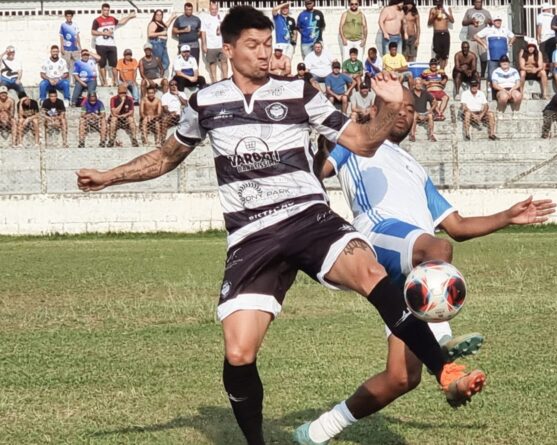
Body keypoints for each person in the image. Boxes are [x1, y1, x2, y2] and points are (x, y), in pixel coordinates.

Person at [76, 8, 485, 444]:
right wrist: (107, 176)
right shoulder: (206, 102)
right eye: (252, 46)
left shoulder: (300, 93)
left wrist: (392, 106)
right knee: (238, 352)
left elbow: (363, 143)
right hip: (252, 236)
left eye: (268, 44)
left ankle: (446, 370)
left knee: (371, 272)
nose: (264, 54)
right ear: (228, 49)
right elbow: (163, 157)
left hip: (310, 218)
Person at [303, 89, 555, 445]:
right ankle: (442, 340)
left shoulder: (415, 168)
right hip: (378, 236)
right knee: (437, 247)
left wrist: (508, 216)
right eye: (398, 106)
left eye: (411, 109)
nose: (405, 114)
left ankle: (317, 430)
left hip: (415, 268)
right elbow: (319, 171)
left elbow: (458, 225)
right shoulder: (354, 141)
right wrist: (326, 141)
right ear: (377, 108)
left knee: (402, 378)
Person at [92, 3, 136, 87]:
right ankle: (104, 82)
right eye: (105, 10)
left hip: (111, 44)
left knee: (114, 64)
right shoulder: (97, 20)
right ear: (102, 10)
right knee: (102, 64)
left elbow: (121, 22)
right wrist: (103, 33)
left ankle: (115, 81)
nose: (106, 12)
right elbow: (93, 32)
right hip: (101, 44)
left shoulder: (112, 18)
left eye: (108, 10)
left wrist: (129, 16)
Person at [475, 14, 515, 91]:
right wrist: (484, 44)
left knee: (503, 76)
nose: (498, 22)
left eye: (499, 21)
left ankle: (502, 92)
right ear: (493, 21)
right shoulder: (488, 29)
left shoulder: (505, 29)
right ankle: (491, 94)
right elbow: (476, 36)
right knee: (491, 77)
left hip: (504, 59)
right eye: (496, 20)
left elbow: (513, 37)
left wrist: (510, 43)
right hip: (492, 58)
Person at [462, 0, 493, 78]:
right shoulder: (469, 11)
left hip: (482, 39)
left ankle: (482, 75)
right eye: (476, 2)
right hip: (471, 39)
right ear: (474, 3)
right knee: (472, 58)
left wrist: (490, 22)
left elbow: (491, 24)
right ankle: (472, 75)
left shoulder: (486, 12)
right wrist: (471, 21)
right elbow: (463, 23)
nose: (478, 3)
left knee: (484, 58)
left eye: (480, 2)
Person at [201, 1, 228, 83]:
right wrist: (204, 45)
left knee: (224, 62)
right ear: (209, 9)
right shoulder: (205, 18)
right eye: (212, 9)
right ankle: (214, 81)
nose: (214, 11)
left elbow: (226, 30)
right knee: (212, 64)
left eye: (215, 9)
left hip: (221, 45)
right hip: (210, 46)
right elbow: (203, 32)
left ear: (217, 9)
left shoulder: (221, 17)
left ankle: (225, 79)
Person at [428, 0, 454, 69]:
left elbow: (452, 20)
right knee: (438, 53)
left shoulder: (447, 9)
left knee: (445, 55)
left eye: (439, 1)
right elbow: (429, 23)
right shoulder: (433, 10)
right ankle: (436, 70)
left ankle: (442, 71)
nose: (438, 3)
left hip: (445, 33)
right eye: (436, 1)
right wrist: (435, 15)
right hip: (437, 34)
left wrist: (445, 12)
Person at [410, 77, 437, 141]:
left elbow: (435, 102)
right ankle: (412, 135)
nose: (418, 85)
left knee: (430, 115)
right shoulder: (410, 93)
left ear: (422, 85)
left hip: (425, 113)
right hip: (415, 113)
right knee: (414, 115)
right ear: (414, 85)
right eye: (417, 83)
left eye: (420, 84)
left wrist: (430, 110)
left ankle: (431, 135)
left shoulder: (425, 92)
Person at [59, 10, 82, 81]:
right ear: (65, 17)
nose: (69, 17)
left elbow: (77, 36)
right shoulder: (63, 25)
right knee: (66, 66)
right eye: (67, 16)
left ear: (72, 17)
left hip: (75, 48)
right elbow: (61, 37)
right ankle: (67, 81)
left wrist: (80, 47)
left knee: (77, 65)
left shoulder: (75, 25)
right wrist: (62, 47)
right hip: (66, 49)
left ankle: (77, 81)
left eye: (70, 16)